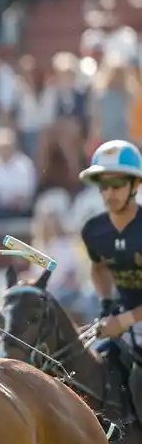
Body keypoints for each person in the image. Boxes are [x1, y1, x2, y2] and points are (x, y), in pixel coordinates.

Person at [78, 140, 142, 420]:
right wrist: (106, 302)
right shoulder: (94, 230)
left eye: (117, 185)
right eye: (103, 186)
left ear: (135, 185)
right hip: (124, 317)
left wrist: (125, 320)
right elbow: (99, 267)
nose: (109, 193)